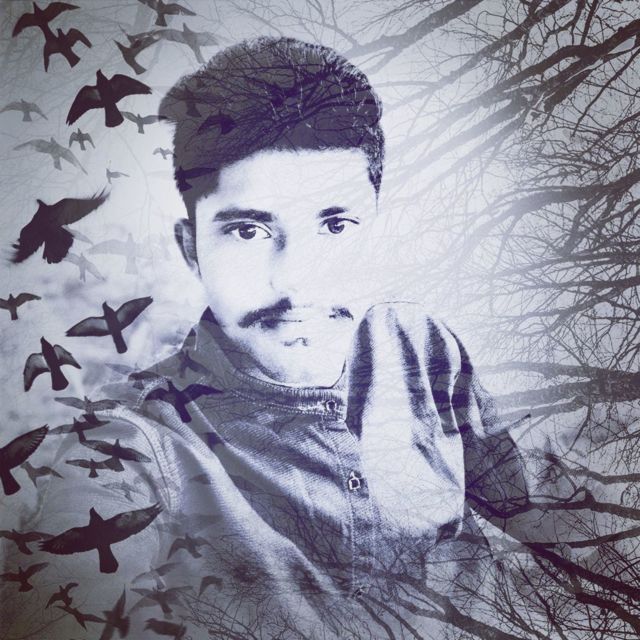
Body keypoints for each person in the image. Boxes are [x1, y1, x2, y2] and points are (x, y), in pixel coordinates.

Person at [0, 36, 530, 639]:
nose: (295, 281)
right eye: (248, 231)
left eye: (336, 225)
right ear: (191, 248)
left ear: (378, 234)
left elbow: (552, 518)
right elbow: (56, 602)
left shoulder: (423, 347)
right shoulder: (130, 443)